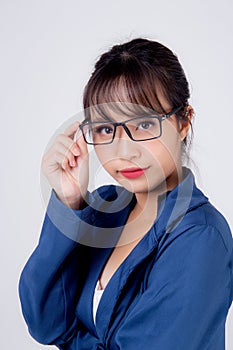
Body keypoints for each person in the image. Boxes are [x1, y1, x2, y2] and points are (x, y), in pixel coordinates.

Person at [18, 38, 233, 350]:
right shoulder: (104, 211)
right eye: (106, 129)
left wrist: (76, 341)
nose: (124, 150)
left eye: (144, 124)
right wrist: (70, 202)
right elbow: (46, 323)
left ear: (184, 121)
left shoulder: (200, 236)